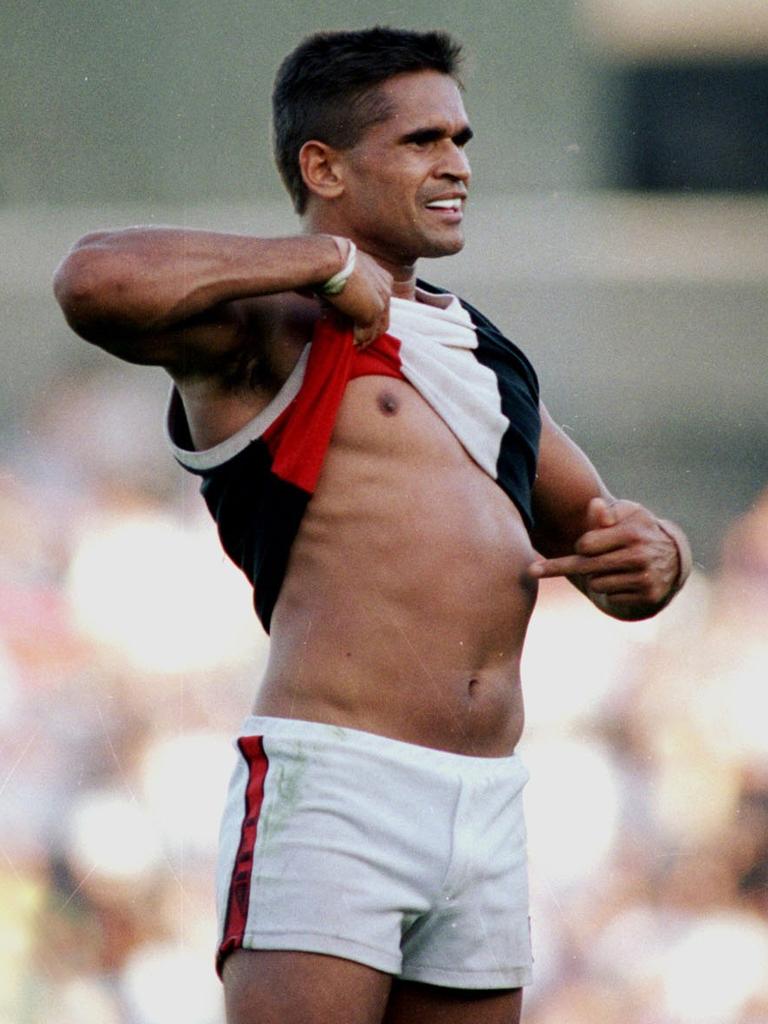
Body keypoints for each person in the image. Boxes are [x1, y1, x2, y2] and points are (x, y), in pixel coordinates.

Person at [52, 27, 691, 1024]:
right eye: (423, 140)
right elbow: (92, 279)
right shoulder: (271, 325)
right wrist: (322, 263)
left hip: (487, 798)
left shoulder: (481, 351)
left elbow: (613, 540)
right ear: (324, 166)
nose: (458, 165)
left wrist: (663, 557)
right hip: (337, 785)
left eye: (462, 138)